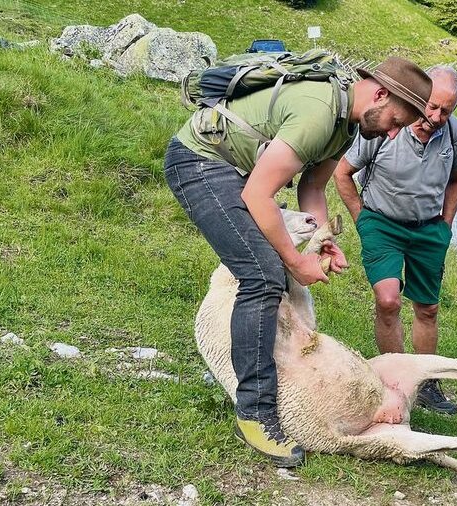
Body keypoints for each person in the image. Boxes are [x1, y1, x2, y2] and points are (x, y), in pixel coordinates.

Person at [164, 56, 432, 467]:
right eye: (396, 122)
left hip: (233, 170)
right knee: (264, 276)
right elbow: (258, 195)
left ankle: (249, 380)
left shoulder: (345, 123)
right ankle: (254, 414)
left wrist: (321, 240)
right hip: (200, 162)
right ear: (380, 94)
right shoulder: (320, 111)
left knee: (268, 271)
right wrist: (295, 261)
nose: (393, 134)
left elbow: (313, 185)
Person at [334, 66, 457, 415]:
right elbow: (342, 172)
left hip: (429, 231)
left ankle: (426, 384)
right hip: (382, 223)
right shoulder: (384, 126)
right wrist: (362, 219)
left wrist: (446, 225)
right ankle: (391, 379)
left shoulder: (455, 135)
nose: (436, 116)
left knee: (428, 307)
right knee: (389, 299)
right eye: (432, 107)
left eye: (446, 111)